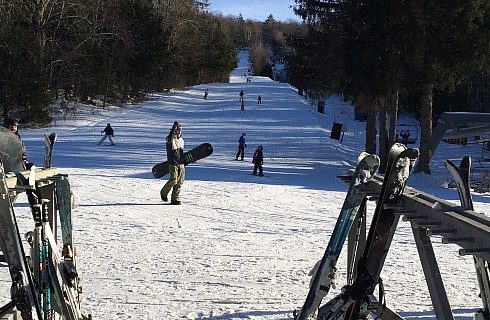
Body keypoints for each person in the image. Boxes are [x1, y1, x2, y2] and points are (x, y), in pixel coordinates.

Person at [160, 121, 185, 205]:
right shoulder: (170, 139)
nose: (178, 131)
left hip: (180, 163)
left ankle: (175, 199)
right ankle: (163, 193)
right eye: (176, 130)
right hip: (173, 163)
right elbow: (169, 138)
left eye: (179, 130)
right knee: (174, 180)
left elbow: (181, 152)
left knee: (180, 181)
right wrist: (172, 130)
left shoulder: (181, 140)